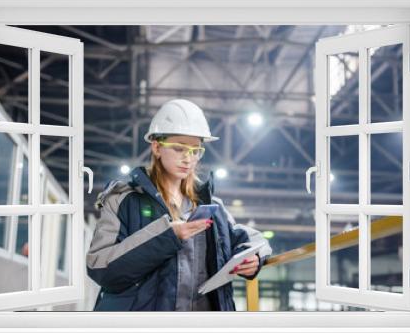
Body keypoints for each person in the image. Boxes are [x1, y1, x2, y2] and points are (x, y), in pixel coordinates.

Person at [86, 99, 272, 311]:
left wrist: (254, 258)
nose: (188, 158)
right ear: (156, 147)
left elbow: (251, 239)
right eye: (178, 148)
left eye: (195, 150)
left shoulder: (211, 206)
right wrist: (167, 236)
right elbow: (100, 267)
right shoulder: (124, 200)